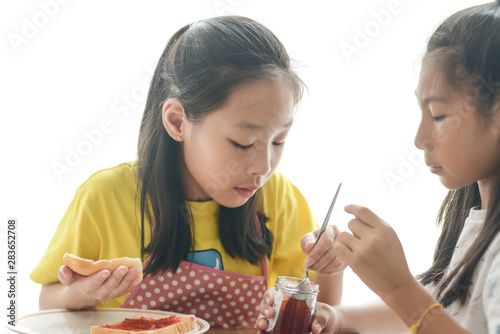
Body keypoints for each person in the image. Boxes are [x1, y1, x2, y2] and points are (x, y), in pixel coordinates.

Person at [30, 16, 344, 328]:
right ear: (178, 122)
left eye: (278, 141)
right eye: (242, 142)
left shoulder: (278, 198)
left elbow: (320, 311)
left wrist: (331, 265)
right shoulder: (105, 196)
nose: (263, 167)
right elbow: (49, 301)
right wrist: (83, 293)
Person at [256, 1, 500, 333]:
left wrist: (398, 288)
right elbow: (442, 307)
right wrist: (337, 319)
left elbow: (422, 310)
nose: (420, 138)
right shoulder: (477, 227)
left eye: (439, 115)